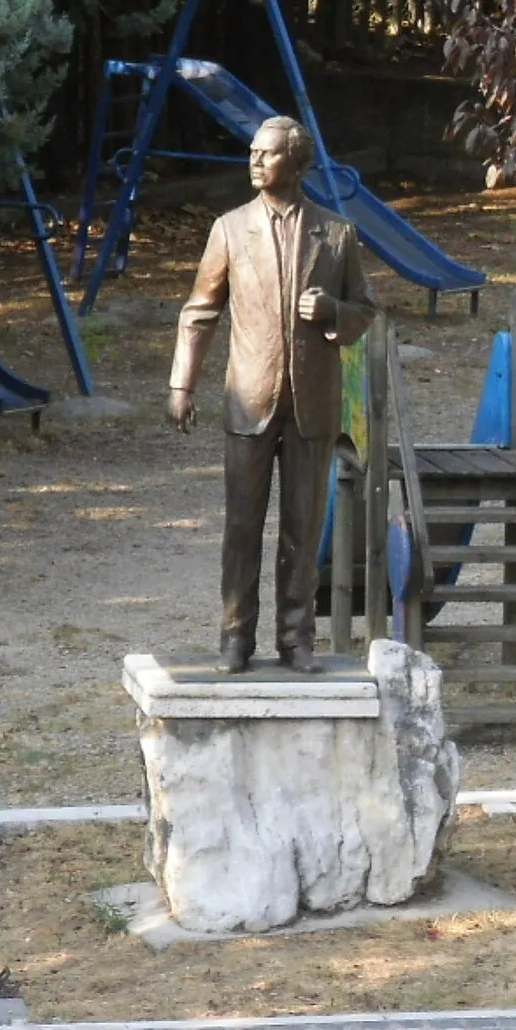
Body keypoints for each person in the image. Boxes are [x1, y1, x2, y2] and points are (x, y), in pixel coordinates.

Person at [167, 116, 375, 673]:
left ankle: (296, 638)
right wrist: (182, 384)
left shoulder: (336, 233)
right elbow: (200, 311)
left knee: (303, 531)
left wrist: (334, 312)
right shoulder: (230, 229)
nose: (255, 161)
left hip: (312, 405)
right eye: (252, 152)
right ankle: (235, 636)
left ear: (298, 163)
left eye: (268, 154)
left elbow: (366, 312)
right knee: (241, 528)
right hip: (250, 401)